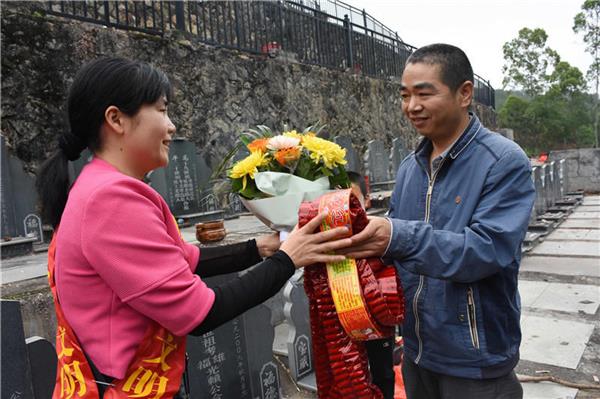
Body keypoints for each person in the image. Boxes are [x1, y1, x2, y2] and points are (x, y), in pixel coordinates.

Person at [36, 57, 352, 399]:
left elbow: (183, 260)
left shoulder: (98, 187)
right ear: (116, 119)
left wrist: (260, 248)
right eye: (162, 110)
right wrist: (288, 259)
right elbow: (201, 313)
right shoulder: (110, 198)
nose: (171, 126)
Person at [340, 44, 535, 399]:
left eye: (424, 94)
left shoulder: (502, 161)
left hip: (475, 359)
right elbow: (394, 247)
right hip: (417, 351)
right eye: (405, 95)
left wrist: (395, 235)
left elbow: (484, 251)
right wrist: (349, 242)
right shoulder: (410, 167)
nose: (412, 106)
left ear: (464, 94)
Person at [348, 171, 396, 399]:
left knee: (383, 374)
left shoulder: (382, 235)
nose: (348, 209)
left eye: (353, 200)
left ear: (367, 201)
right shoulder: (327, 241)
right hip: (343, 323)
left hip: (378, 321)